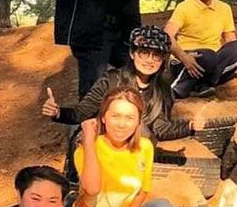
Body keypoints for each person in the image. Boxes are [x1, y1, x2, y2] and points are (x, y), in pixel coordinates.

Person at [42, 25, 202, 144]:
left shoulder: (163, 90)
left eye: (157, 55)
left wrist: (189, 126)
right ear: (132, 53)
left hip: (135, 149)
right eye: (144, 52)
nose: (150, 60)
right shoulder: (111, 80)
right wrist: (58, 113)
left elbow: (160, 128)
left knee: (144, 134)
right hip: (103, 142)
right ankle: (75, 178)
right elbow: (81, 112)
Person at [164, 0, 237, 99]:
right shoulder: (184, 7)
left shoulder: (224, 8)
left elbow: (230, 40)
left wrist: (232, 57)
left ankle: (204, 84)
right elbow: (167, 35)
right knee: (207, 56)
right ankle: (177, 89)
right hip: (185, 60)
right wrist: (184, 57)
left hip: (212, 60)